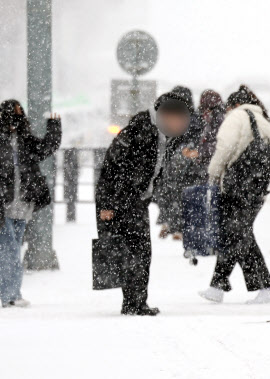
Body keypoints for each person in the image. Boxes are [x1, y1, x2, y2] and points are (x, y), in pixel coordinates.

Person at [199, 85, 270, 304]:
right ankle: (217, 287)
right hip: (254, 191)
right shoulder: (263, 122)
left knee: (238, 235)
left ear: (233, 105)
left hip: (234, 189)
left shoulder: (236, 117)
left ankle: (265, 287)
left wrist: (212, 175)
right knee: (233, 235)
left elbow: (224, 147)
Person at [96, 91, 192, 316]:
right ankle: (134, 302)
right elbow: (112, 167)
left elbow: (153, 170)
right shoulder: (140, 131)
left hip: (135, 199)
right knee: (133, 250)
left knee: (137, 250)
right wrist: (107, 204)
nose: (180, 123)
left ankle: (135, 302)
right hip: (122, 199)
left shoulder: (160, 133)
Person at [0, 100, 62, 308]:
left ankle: (11, 292)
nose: (16, 119)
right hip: (1, 204)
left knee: (13, 247)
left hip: (22, 203)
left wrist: (54, 127)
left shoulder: (24, 140)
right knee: (8, 247)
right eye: (13, 114)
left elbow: (46, 148)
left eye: (19, 115)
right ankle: (9, 294)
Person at [155, 85, 205, 240]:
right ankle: (178, 227)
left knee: (167, 192)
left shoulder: (167, 116)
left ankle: (169, 222)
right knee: (183, 194)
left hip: (172, 162)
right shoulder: (196, 118)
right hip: (190, 163)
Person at [196, 89, 226, 176]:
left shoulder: (219, 120)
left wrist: (199, 152)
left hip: (215, 171)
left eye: (204, 109)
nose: (203, 113)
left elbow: (220, 146)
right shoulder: (213, 120)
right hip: (210, 169)